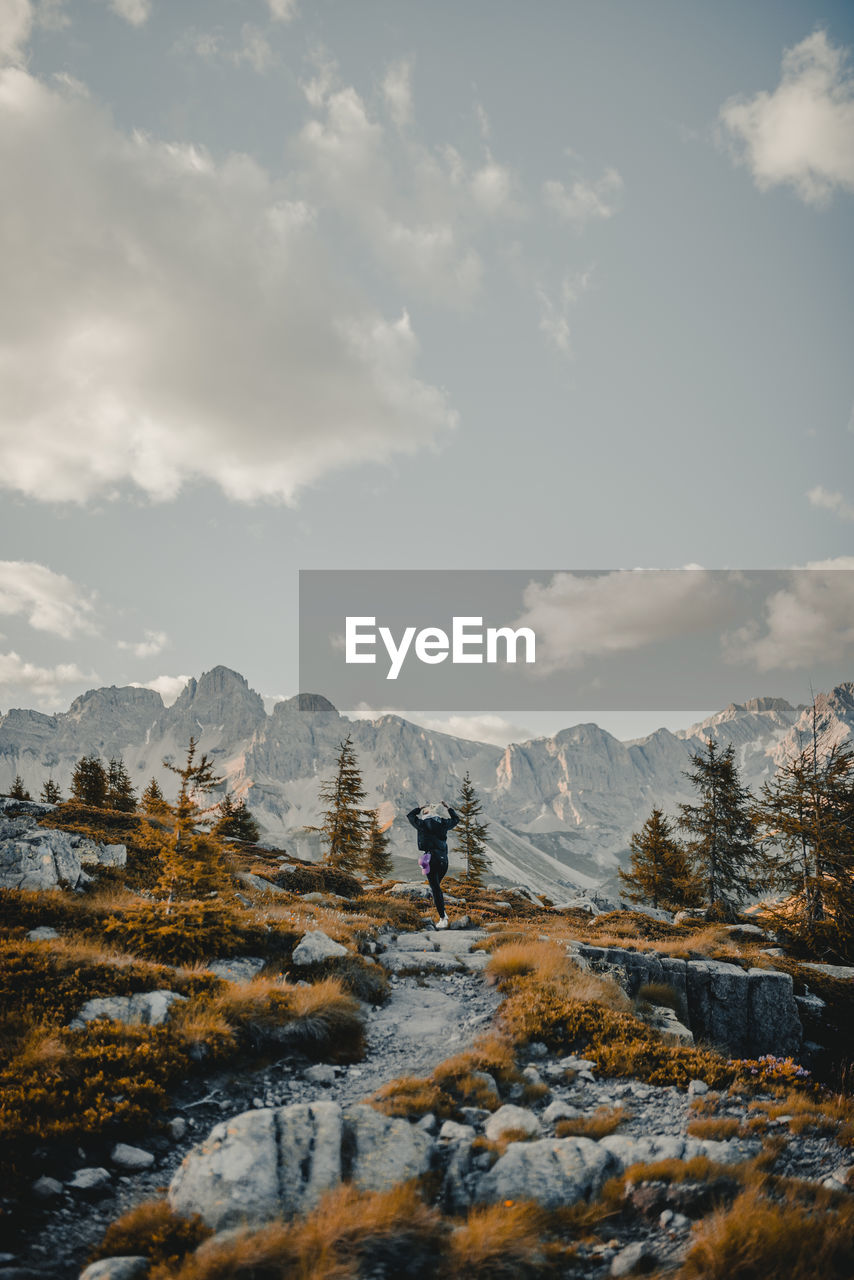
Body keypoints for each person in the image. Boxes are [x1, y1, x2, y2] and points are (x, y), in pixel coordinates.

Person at [406, 799, 459, 929]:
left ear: (425, 813)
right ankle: (441, 912)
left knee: (435, 889)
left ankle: (443, 918)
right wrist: (448, 807)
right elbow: (456, 820)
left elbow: (410, 816)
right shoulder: (443, 823)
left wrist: (419, 807)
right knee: (436, 888)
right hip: (444, 861)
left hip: (431, 859)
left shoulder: (422, 823)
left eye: (424, 812)